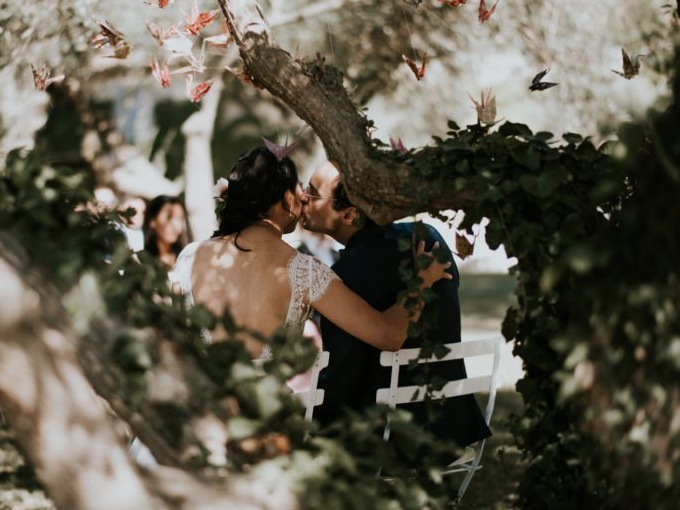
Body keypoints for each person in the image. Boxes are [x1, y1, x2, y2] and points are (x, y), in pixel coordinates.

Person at [170, 146, 452, 361]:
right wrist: (422, 283)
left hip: (189, 420)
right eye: (299, 189)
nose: (304, 197)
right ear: (285, 200)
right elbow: (388, 335)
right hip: (265, 427)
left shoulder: (190, 256)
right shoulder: (302, 271)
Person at [300, 161, 491, 447]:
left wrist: (310, 420)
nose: (303, 197)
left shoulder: (346, 275)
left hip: (392, 437)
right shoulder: (427, 237)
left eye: (313, 193)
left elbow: (343, 374)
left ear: (350, 213)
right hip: (449, 424)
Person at [143, 195, 187, 270]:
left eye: (180, 218)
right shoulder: (141, 261)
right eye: (169, 217)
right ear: (152, 220)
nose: (176, 225)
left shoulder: (187, 259)